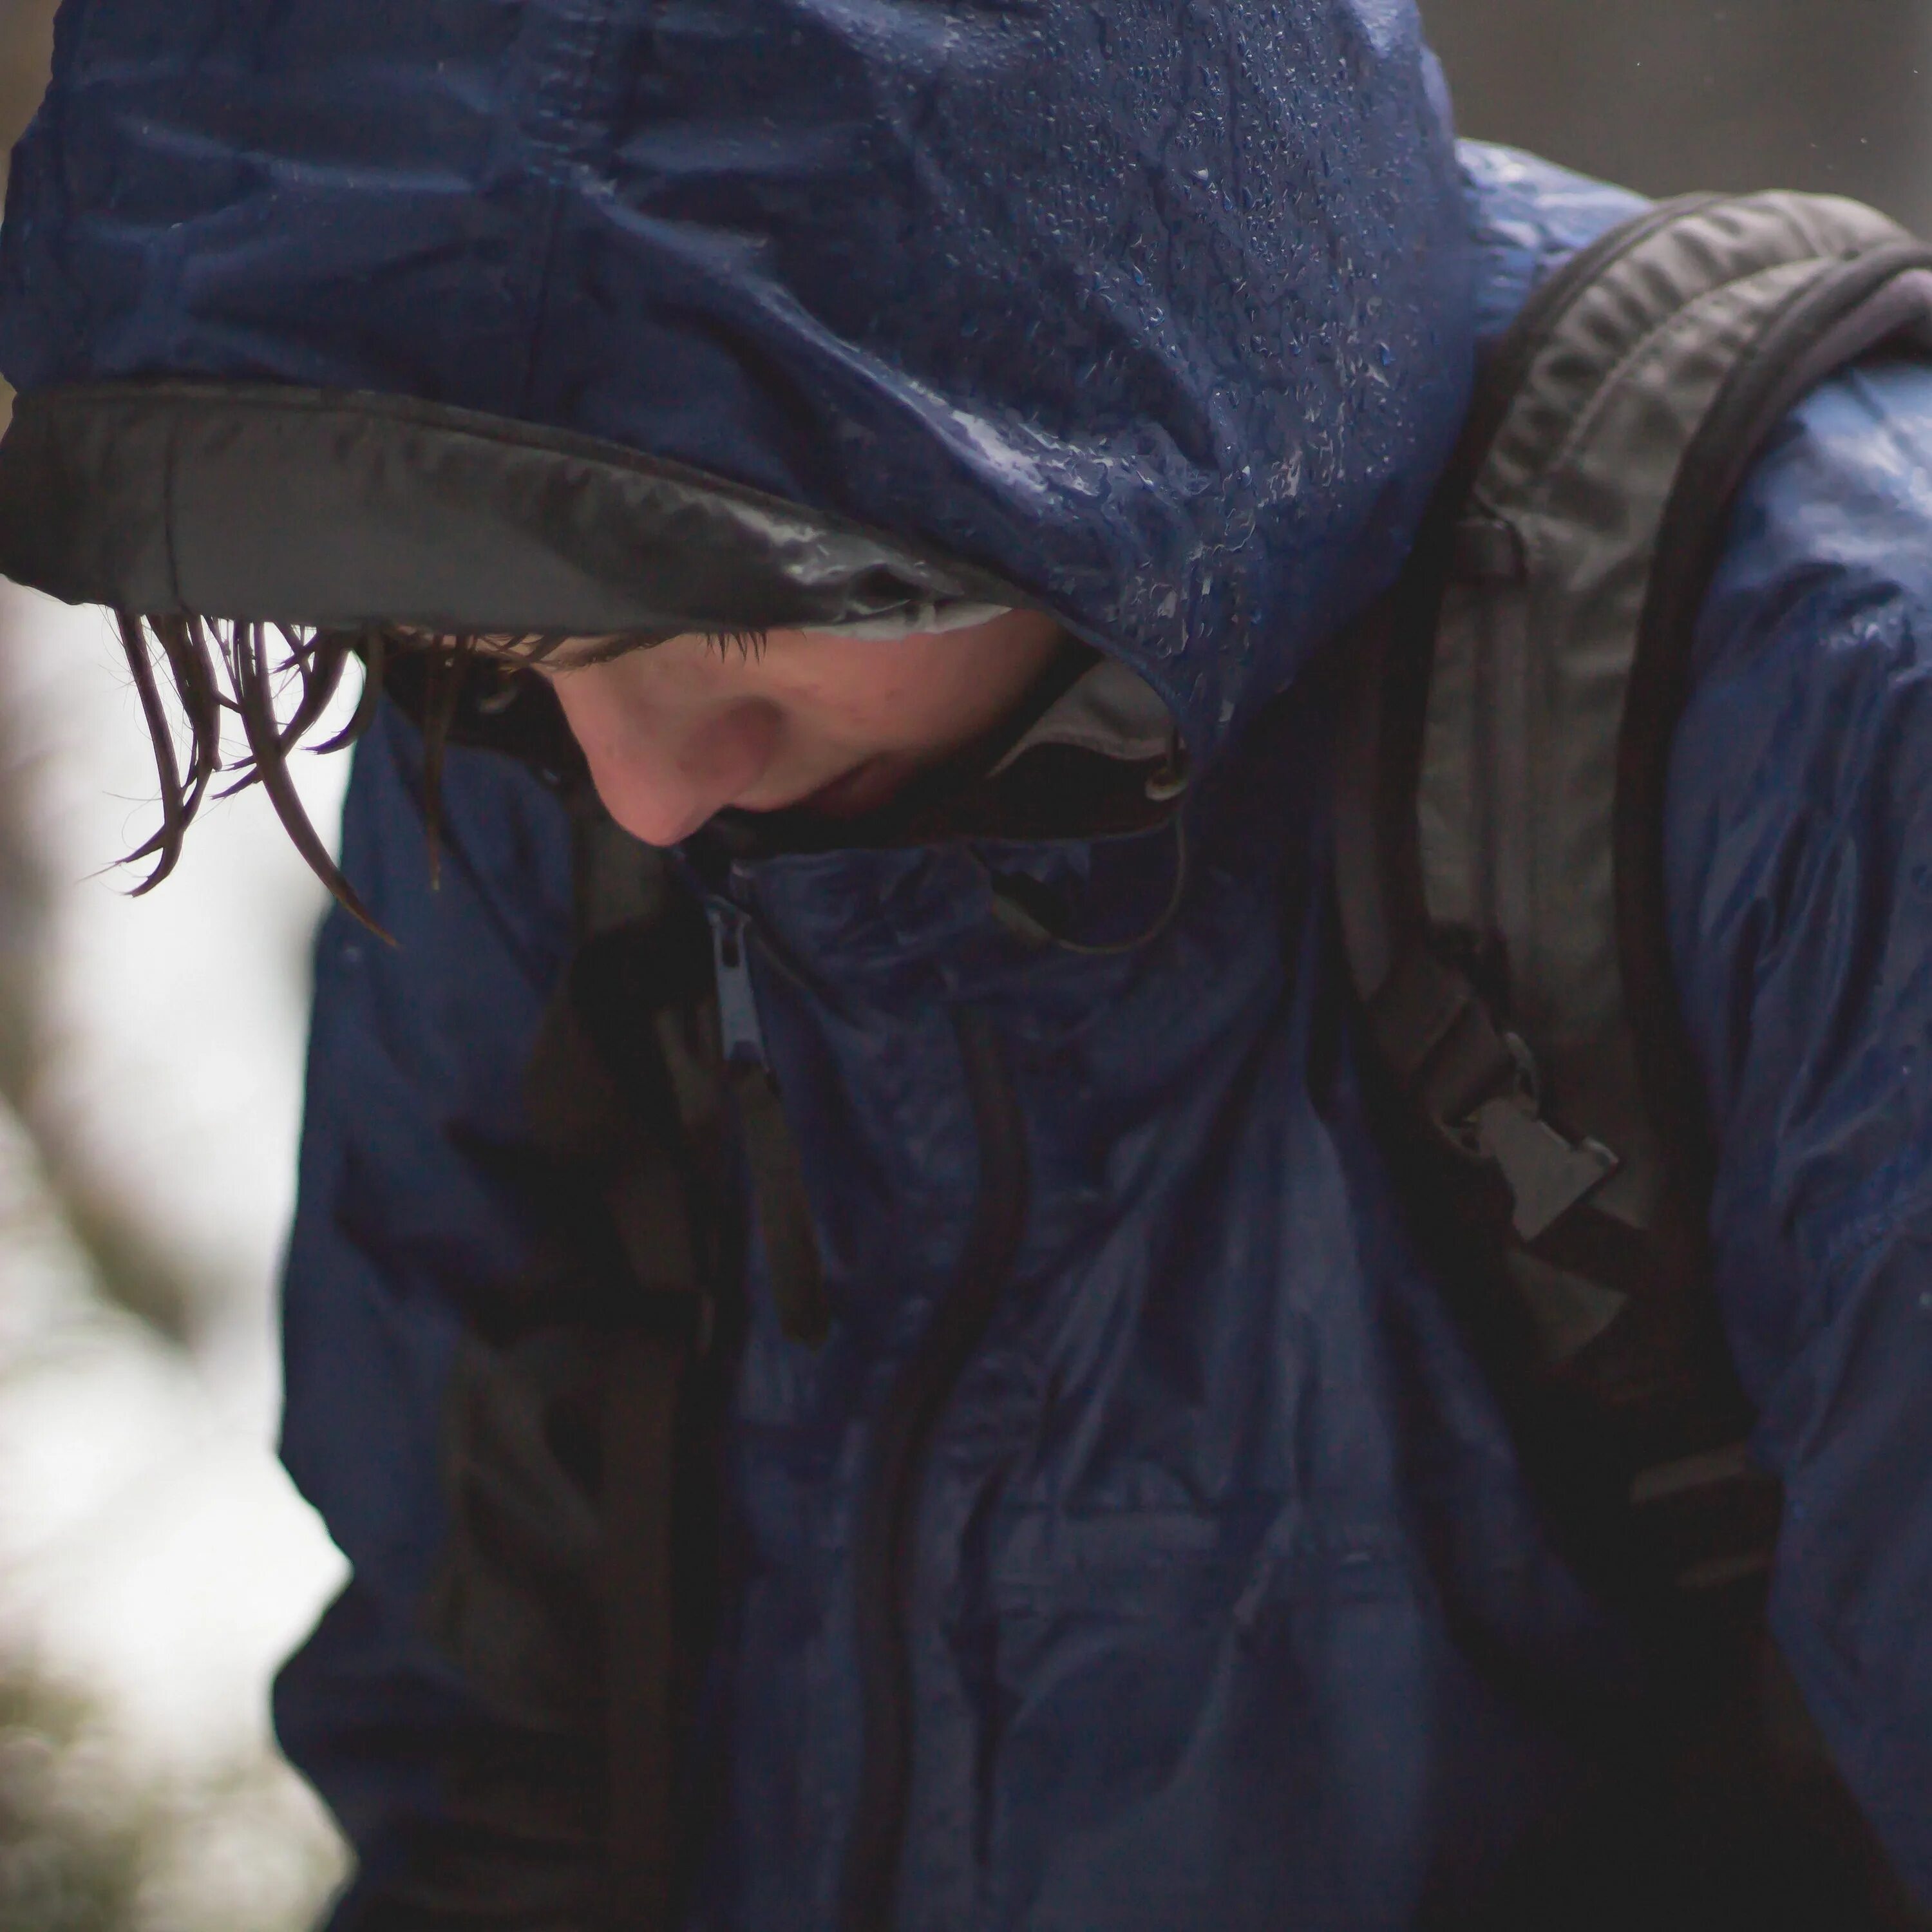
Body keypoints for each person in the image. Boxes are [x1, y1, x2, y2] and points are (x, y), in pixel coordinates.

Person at [0, 0, 1927, 1926]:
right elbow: (489, 1775)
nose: (648, 787)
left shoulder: (1824, 727)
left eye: (746, 608)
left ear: (1112, 323)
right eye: (495, 651)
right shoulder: (534, 736)